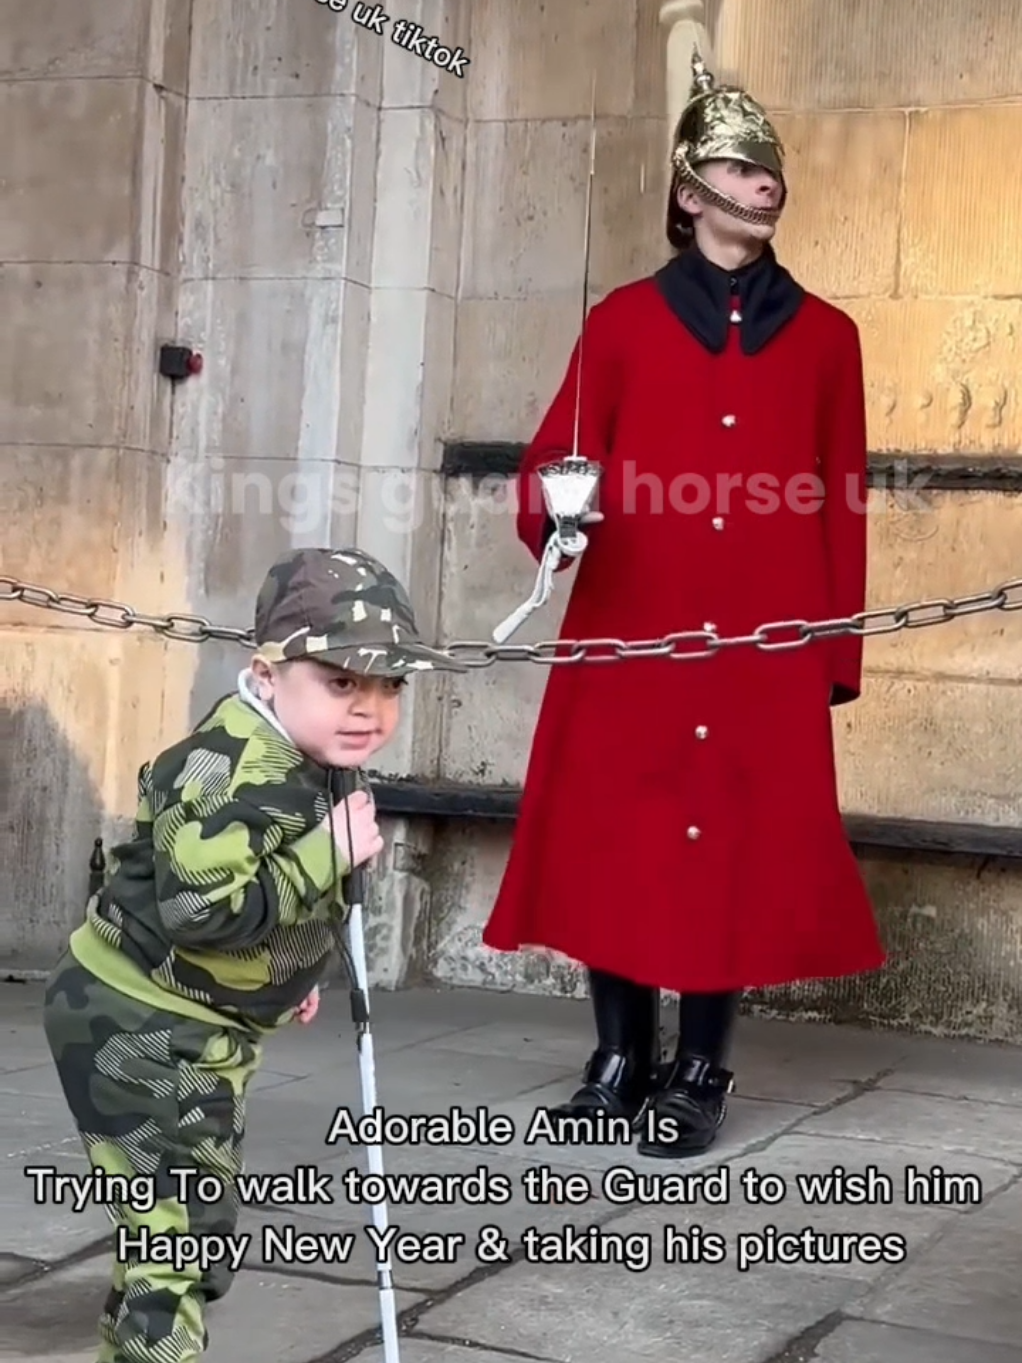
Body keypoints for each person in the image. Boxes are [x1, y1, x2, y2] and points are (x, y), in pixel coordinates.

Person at [482, 49, 886, 1159]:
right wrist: (554, 513)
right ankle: (617, 1060)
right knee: (618, 842)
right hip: (628, 630)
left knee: (732, 855)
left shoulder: (827, 341)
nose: (765, 185)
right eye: (741, 169)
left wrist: (828, 655)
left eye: (770, 171)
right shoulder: (619, 323)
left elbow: (838, 505)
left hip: (761, 645)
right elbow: (557, 457)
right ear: (688, 191)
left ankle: (699, 1071)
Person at [42, 546, 467, 1362]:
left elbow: (263, 903)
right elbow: (202, 907)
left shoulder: (312, 755)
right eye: (341, 680)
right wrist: (328, 855)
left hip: (202, 1022)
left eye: (389, 685)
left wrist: (286, 972)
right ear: (267, 674)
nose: (368, 708)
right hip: (137, 1024)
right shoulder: (232, 769)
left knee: (194, 1231)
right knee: (172, 1245)